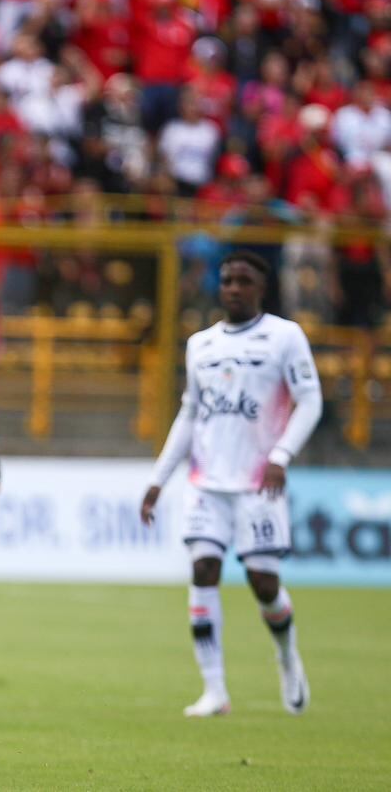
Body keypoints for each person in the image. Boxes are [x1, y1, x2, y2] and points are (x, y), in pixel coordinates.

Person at [140, 251, 321, 718]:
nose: (233, 288)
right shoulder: (200, 344)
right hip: (206, 481)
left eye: (243, 281)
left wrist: (281, 456)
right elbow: (189, 412)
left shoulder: (285, 337)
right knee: (203, 572)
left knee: (264, 583)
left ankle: (286, 656)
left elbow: (311, 400)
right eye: (227, 281)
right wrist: (159, 478)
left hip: (259, 484)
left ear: (261, 288)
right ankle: (214, 690)